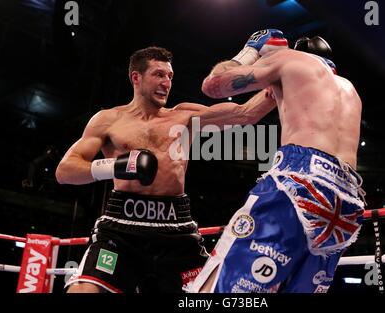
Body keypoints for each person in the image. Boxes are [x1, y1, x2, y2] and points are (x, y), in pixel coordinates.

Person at [55, 46, 276, 293]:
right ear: (136, 77)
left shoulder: (184, 116)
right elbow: (65, 171)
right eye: (159, 75)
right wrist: (115, 167)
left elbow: (245, 114)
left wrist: (280, 77)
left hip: (176, 231)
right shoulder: (108, 120)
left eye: (170, 76)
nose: (167, 83)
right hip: (120, 229)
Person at [191, 29, 366, 293]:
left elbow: (214, 84)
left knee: (224, 287)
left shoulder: (289, 59)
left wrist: (250, 50)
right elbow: (247, 114)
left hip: (299, 180)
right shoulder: (349, 89)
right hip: (346, 204)